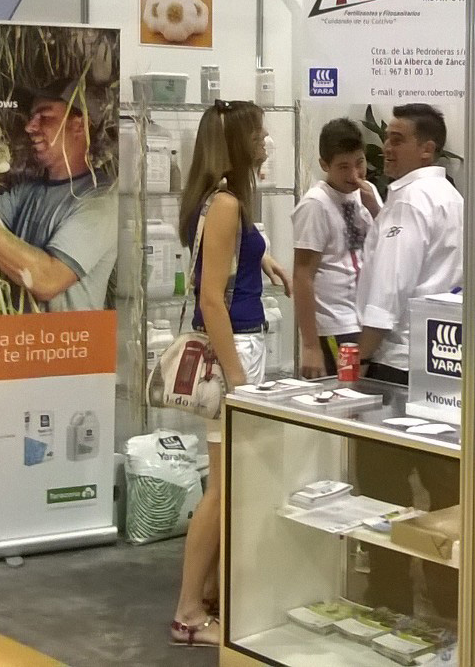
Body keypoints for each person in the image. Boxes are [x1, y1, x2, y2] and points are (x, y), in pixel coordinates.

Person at [171, 99, 290, 647]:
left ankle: (211, 594)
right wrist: (238, 377)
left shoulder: (227, 201)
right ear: (240, 142)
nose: (266, 143)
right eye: (259, 134)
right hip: (232, 351)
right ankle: (188, 611)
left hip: (239, 346)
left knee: (232, 482)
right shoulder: (224, 204)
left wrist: (262, 257)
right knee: (221, 489)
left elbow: (224, 260)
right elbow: (211, 299)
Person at [354, 103, 463, 618]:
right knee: (445, 489)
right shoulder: (449, 196)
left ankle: (390, 593)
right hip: (441, 361)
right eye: (388, 138)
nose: (387, 148)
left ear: (427, 149)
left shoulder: (410, 201)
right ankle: (449, 596)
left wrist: (357, 360)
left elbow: (387, 292)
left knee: (382, 489)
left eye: (398, 139)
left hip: (396, 365)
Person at [0, 80, 117, 312]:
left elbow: (49, 279)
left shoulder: (101, 200)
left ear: (79, 126)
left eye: (44, 116)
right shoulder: (28, 192)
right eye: (31, 117)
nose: (29, 127)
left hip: (67, 335)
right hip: (19, 333)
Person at [292, 118, 381, 378]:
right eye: (343, 167)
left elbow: (386, 248)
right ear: (324, 165)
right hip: (335, 324)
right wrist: (310, 345)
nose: (354, 174)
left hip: (365, 320)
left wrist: (375, 209)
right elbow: (302, 275)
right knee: (341, 394)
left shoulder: (368, 193)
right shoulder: (315, 204)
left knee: (365, 396)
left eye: (359, 163)